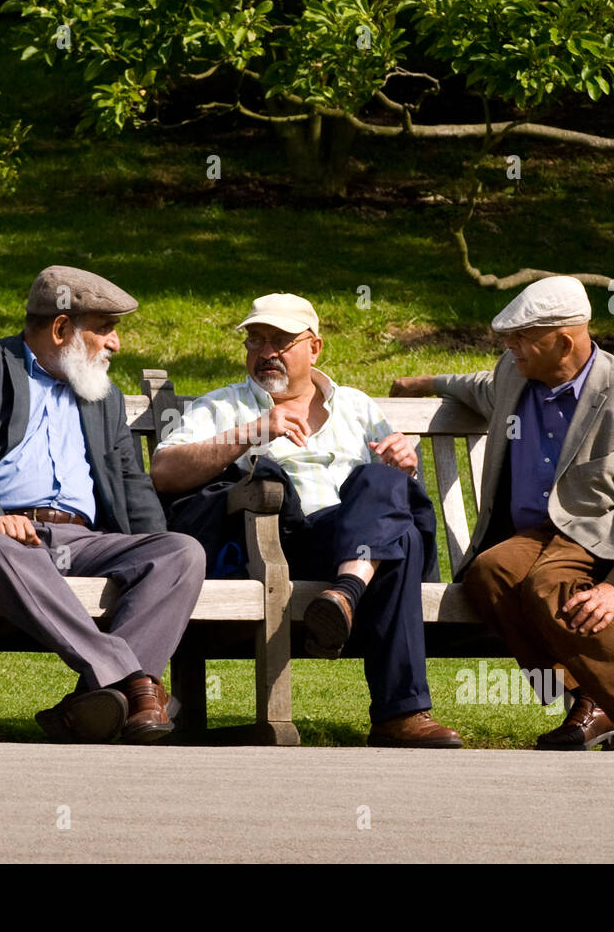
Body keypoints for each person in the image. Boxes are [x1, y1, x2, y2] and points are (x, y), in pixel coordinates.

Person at [0, 265, 206, 744]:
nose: (116, 343)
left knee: (181, 551)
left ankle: (94, 702)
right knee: (2, 551)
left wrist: (151, 540)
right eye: (105, 329)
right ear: (61, 329)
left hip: (83, 541)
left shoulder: (104, 398)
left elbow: (131, 482)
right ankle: (137, 682)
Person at [389, 275, 614, 751]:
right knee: (490, 571)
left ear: (563, 341)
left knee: (546, 584)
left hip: (608, 542)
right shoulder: (518, 374)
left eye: (521, 337)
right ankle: (594, 700)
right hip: (539, 536)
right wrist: (422, 384)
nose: (510, 347)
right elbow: (479, 387)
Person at [151, 293, 462, 748]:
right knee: (403, 542)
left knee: (384, 488)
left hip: (351, 548)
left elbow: (386, 488)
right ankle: (401, 713)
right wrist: (254, 431)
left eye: (280, 341)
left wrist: (404, 465)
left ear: (314, 347)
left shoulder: (355, 406)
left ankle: (345, 593)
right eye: (255, 341)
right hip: (278, 545)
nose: (265, 352)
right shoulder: (224, 406)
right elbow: (164, 473)